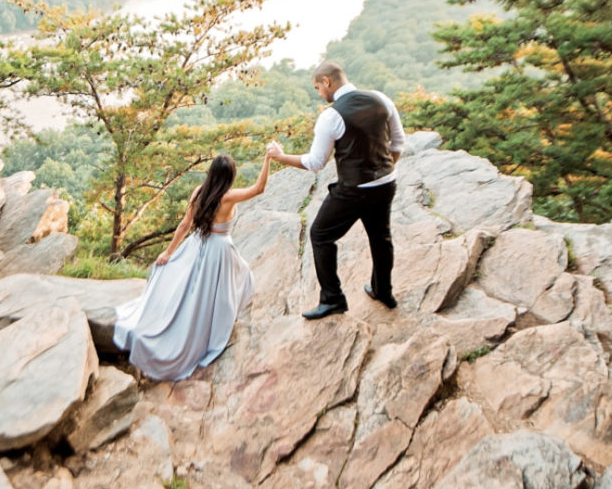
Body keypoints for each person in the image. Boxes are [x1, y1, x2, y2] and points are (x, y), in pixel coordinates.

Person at [113, 150, 270, 381]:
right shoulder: (227, 197)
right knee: (231, 287)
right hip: (219, 252)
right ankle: (213, 330)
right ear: (230, 176)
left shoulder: (199, 193)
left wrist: (168, 252)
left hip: (197, 245)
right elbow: (259, 188)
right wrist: (268, 158)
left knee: (191, 293)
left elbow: (185, 225)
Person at [266, 60, 405, 319]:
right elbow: (398, 143)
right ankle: (383, 291)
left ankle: (333, 299)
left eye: (318, 87)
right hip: (386, 183)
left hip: (354, 190)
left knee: (320, 235)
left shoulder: (331, 116)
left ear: (327, 82)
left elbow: (315, 163)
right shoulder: (381, 99)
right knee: (381, 237)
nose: (319, 93)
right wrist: (381, 172)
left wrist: (281, 156)